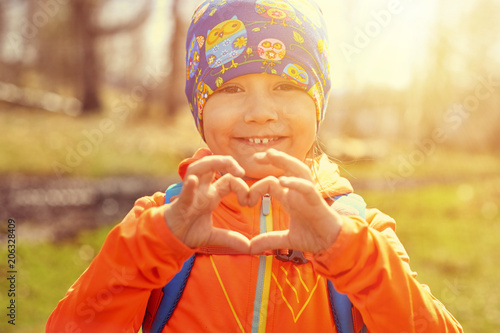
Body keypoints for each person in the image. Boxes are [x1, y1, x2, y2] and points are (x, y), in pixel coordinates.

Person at [46, 0, 463, 331]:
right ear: (200, 110)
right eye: (231, 87)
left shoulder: (362, 233)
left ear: (318, 106)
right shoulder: (156, 224)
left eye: (286, 85)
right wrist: (153, 246)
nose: (260, 112)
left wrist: (348, 253)